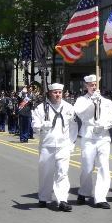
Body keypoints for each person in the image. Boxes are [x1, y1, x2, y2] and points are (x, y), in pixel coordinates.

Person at [74, 74, 112, 209]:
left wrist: (105, 125)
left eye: (95, 85)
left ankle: (100, 197)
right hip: (88, 137)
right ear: (86, 86)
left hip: (103, 137)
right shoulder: (82, 100)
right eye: (91, 85)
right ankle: (84, 191)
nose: (93, 87)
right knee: (87, 167)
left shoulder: (106, 101)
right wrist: (91, 102)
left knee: (104, 167)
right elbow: (79, 112)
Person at [32, 83, 78, 211]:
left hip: (63, 145)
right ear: (50, 93)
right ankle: (44, 197)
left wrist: (71, 142)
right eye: (55, 92)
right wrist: (41, 126)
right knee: (46, 173)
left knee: (62, 172)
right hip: (47, 145)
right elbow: (34, 125)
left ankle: (62, 199)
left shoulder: (69, 107)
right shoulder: (41, 108)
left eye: (59, 92)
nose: (58, 95)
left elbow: (74, 127)